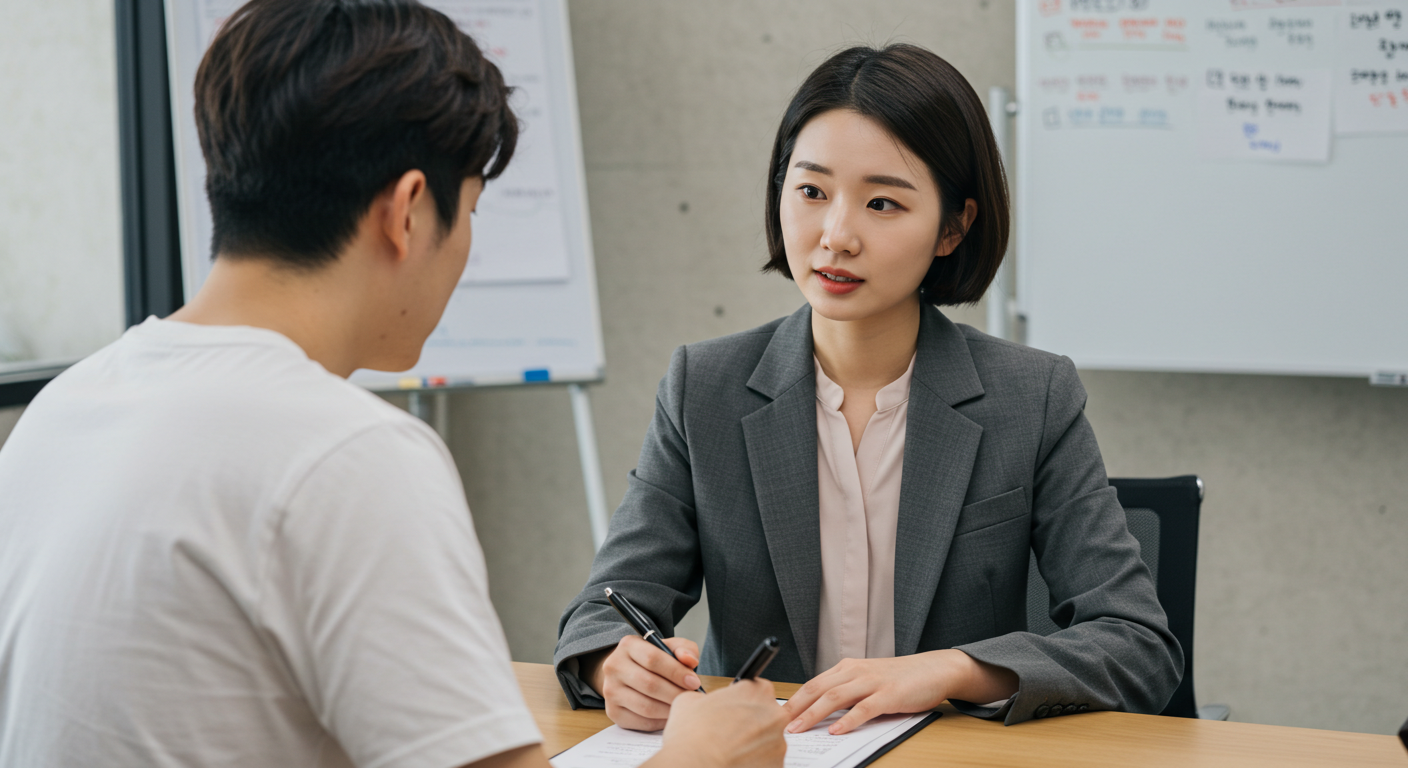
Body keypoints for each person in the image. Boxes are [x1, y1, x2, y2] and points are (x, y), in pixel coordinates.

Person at [0, 2, 786, 767]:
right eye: (469, 210)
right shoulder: (350, 455)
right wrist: (701, 757)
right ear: (406, 211)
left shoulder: (61, 409)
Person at [554, 43, 1183, 735]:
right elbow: (604, 611)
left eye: (882, 202)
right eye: (812, 191)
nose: (836, 235)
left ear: (953, 228)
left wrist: (952, 669)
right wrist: (613, 666)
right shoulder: (704, 389)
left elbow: (1137, 645)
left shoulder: (1031, 398)